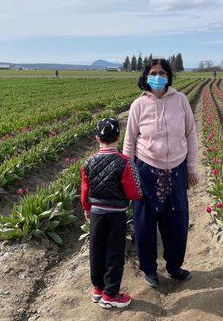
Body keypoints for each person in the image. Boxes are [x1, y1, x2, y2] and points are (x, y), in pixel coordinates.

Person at [123, 58, 199, 288]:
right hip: (146, 168)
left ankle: (174, 267)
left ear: (169, 76)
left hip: (176, 169)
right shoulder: (139, 105)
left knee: (176, 221)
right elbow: (129, 141)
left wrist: (190, 167)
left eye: (162, 72)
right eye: (153, 73)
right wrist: (128, 174)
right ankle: (149, 269)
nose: (158, 76)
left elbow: (191, 135)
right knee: (145, 223)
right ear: (147, 77)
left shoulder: (180, 100)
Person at [81, 117, 143, 309]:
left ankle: (98, 289)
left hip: (97, 213)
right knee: (114, 252)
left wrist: (86, 208)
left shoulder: (88, 162)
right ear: (118, 137)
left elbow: (85, 190)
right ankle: (111, 294)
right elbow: (134, 192)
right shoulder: (124, 162)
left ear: (97, 138)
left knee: (96, 250)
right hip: (116, 214)